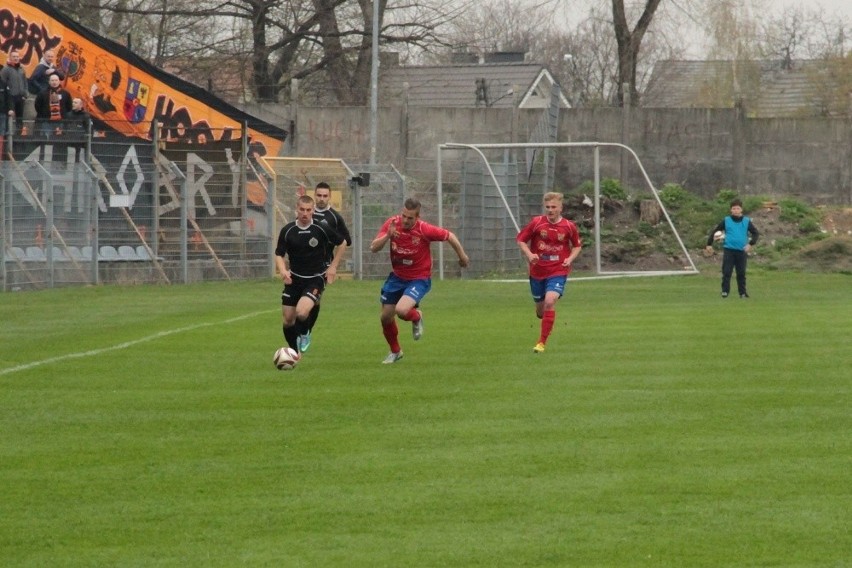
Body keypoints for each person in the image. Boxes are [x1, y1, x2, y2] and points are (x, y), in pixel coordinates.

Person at [370, 197, 470, 364]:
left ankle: (416, 316)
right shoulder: (392, 224)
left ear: (417, 217)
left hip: (419, 279)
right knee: (385, 317)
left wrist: (462, 256)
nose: (406, 220)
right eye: (404, 216)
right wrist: (387, 236)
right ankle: (395, 352)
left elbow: (449, 236)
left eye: (410, 218)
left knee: (402, 311)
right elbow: (374, 248)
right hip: (397, 277)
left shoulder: (424, 229)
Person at [275, 194, 347, 357]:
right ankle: (294, 352)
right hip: (294, 279)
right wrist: (283, 270)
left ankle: (305, 332)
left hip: (315, 278)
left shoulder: (321, 228)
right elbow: (279, 253)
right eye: (302, 209)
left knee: (301, 312)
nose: (305, 213)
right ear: (297, 210)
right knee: (287, 320)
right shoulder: (288, 230)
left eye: (308, 210)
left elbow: (342, 243)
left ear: (313, 211)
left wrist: (333, 267)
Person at [516, 192, 582, 353]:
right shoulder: (537, 223)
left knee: (550, 301)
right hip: (538, 271)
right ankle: (542, 316)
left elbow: (577, 245)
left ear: (561, 208)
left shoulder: (568, 226)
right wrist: (530, 255)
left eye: (553, 207)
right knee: (541, 309)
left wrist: (570, 259)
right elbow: (521, 240)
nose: (550, 210)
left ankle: (541, 343)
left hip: (558, 270)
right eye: (547, 207)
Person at [297, 181, 352, 352]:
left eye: (325, 196)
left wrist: (328, 236)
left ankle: (306, 332)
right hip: (301, 267)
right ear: (314, 196)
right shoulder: (305, 214)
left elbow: (347, 241)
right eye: (319, 195)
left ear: (329, 197)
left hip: (322, 266)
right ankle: (302, 330)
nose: (321, 199)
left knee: (314, 301)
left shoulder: (334, 217)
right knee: (301, 303)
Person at [705, 198, 760, 298]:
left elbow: (756, 233)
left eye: (737, 208)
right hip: (729, 250)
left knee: (741, 273)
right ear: (731, 210)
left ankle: (742, 293)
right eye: (733, 208)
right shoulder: (726, 220)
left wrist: (750, 244)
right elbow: (715, 232)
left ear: (741, 210)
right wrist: (709, 244)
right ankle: (725, 291)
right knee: (727, 272)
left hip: (741, 250)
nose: (735, 210)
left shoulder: (746, 221)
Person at [0, 49, 28, 135]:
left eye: (17, 56)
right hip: (10, 97)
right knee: (9, 116)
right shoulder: (5, 69)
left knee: (20, 117)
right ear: (10, 57)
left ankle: (19, 135)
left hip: (21, 97)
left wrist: (25, 93)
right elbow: (2, 83)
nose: (16, 58)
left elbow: (25, 82)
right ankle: (8, 134)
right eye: (14, 56)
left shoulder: (21, 69)